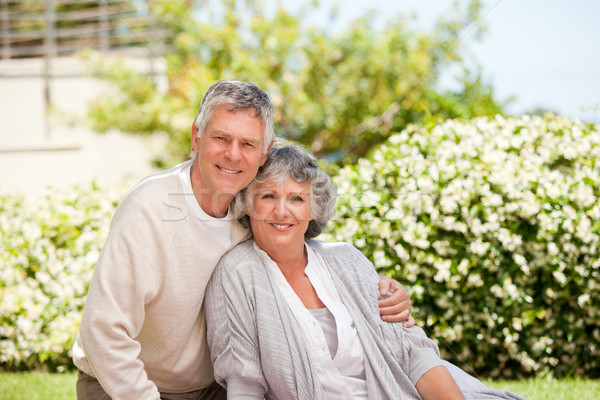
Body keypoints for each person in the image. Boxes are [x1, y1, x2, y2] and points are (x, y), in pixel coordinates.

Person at [72, 80, 414, 400]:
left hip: (213, 388)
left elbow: (302, 247)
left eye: (247, 144)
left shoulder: (251, 207)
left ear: (265, 153)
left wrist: (378, 289)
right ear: (196, 137)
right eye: (221, 138)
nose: (233, 155)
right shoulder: (150, 207)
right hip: (124, 384)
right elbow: (104, 331)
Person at [204, 145, 528, 400]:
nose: (281, 211)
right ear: (247, 203)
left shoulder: (346, 259)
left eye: (296, 198)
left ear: (314, 208)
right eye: (268, 196)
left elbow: (412, 353)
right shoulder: (236, 274)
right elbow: (244, 383)